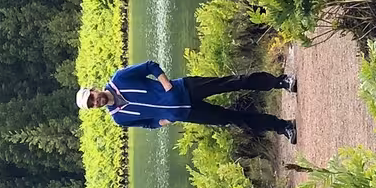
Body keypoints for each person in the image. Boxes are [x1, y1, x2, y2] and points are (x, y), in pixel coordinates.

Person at [78, 59, 296, 142]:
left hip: (186, 89)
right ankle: (282, 126)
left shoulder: (119, 79)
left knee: (232, 83)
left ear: (94, 90)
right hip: (186, 114)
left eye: (92, 97)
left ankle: (279, 82)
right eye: (91, 105)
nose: (95, 102)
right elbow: (146, 123)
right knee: (234, 119)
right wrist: (161, 122)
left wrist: (165, 83)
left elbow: (150, 66)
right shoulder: (119, 118)